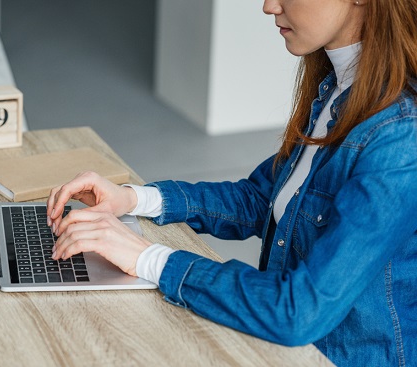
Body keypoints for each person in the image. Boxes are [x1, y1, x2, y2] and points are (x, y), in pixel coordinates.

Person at [47, 0, 417, 365]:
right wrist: (133, 200)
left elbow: (299, 310)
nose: (269, 6)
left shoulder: (399, 136)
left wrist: (146, 257)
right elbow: (263, 199)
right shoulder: (336, 89)